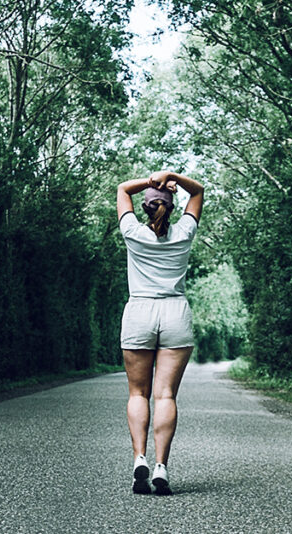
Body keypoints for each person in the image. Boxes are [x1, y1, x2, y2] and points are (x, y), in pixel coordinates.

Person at [116, 170, 204, 496]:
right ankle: (161, 466)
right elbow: (199, 192)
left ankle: (139, 457)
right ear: (171, 205)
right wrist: (173, 177)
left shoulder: (132, 232)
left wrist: (152, 182)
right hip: (174, 313)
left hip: (139, 311)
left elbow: (123, 187)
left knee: (138, 393)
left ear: (146, 208)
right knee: (165, 395)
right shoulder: (183, 232)